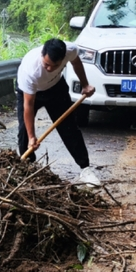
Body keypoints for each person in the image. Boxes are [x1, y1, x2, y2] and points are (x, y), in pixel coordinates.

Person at [17, 38, 100, 186]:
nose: (50, 69)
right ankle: (27, 170)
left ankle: (85, 169)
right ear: (42, 54)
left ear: (62, 59)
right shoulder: (31, 70)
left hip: (56, 88)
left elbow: (76, 63)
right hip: (31, 93)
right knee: (24, 132)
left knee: (69, 128)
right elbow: (28, 105)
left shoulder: (70, 49)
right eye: (46, 64)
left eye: (55, 66)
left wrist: (85, 84)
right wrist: (32, 137)